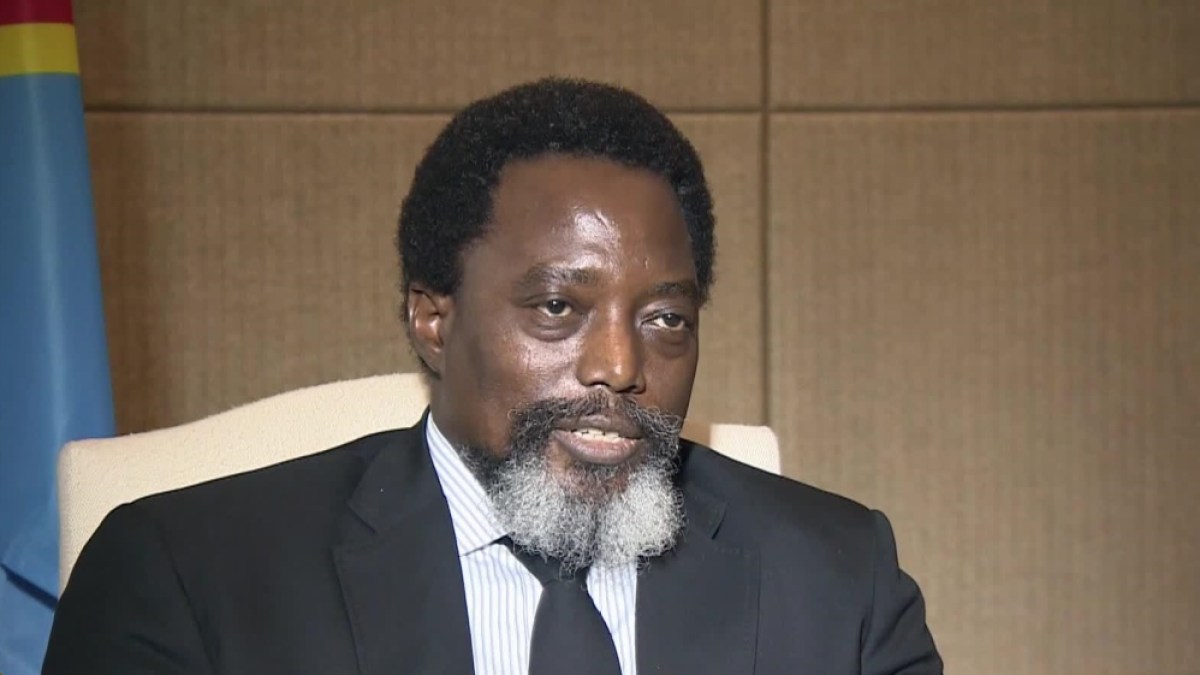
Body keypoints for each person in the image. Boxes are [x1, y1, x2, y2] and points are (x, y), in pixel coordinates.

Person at [44, 78, 942, 674]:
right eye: (557, 307)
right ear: (433, 319)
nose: (620, 366)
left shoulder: (837, 582)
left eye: (665, 318)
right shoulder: (190, 577)